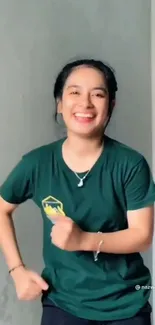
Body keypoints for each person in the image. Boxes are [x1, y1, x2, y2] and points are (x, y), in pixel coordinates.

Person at [0, 59, 154, 325]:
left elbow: (142, 236)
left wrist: (83, 240)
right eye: (74, 92)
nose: (85, 103)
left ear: (111, 106)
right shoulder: (37, 163)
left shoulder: (130, 164)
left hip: (126, 304)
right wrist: (17, 270)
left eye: (97, 94)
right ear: (60, 103)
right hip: (62, 303)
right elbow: (2, 208)